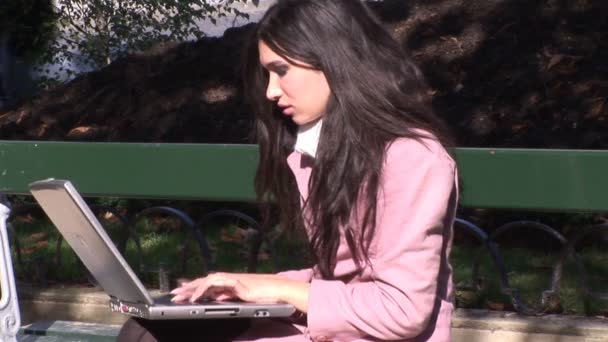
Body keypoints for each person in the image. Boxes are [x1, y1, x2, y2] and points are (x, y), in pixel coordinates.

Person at [117, 0, 458, 341]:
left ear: (332, 58)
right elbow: (345, 278)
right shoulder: (323, 152)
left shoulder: (411, 158)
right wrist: (246, 285)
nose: (271, 91)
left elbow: (401, 309)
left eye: (281, 70)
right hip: (333, 330)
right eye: (267, 74)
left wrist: (276, 288)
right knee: (148, 329)